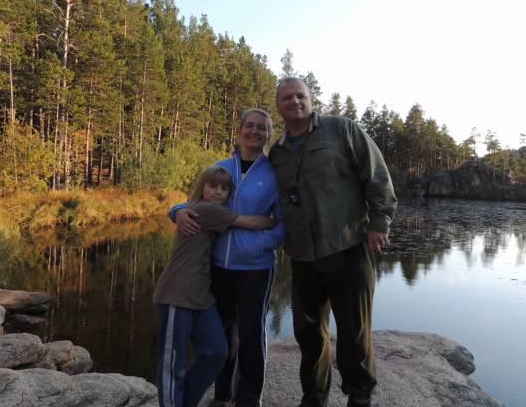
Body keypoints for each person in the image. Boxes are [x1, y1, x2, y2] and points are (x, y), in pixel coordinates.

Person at [268, 77, 397, 407]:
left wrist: (379, 223)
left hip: (348, 247)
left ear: (311, 99)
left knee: (354, 332)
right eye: (287, 98)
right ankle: (313, 397)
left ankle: (359, 395)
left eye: (300, 95)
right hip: (303, 255)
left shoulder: (341, 129)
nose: (294, 101)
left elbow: (377, 176)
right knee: (308, 334)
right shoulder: (277, 153)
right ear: (279, 105)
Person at [170, 108, 285, 407]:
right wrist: (177, 212)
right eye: (249, 126)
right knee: (218, 336)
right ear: (239, 130)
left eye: (262, 128)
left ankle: (248, 398)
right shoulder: (220, 168)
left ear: (268, 135)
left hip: (255, 268)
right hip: (217, 266)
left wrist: (260, 243)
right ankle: (222, 395)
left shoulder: (274, 176)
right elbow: (193, 201)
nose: (254, 132)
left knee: (250, 332)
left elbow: (283, 223)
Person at [154, 165, 276, 407]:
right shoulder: (205, 210)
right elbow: (251, 222)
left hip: (202, 296)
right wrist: (275, 221)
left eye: (224, 188)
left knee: (217, 351)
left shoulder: (200, 209)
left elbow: (180, 208)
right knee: (172, 362)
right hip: (177, 292)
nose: (219, 192)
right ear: (202, 187)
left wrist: (177, 209)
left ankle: (185, 401)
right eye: (212, 186)